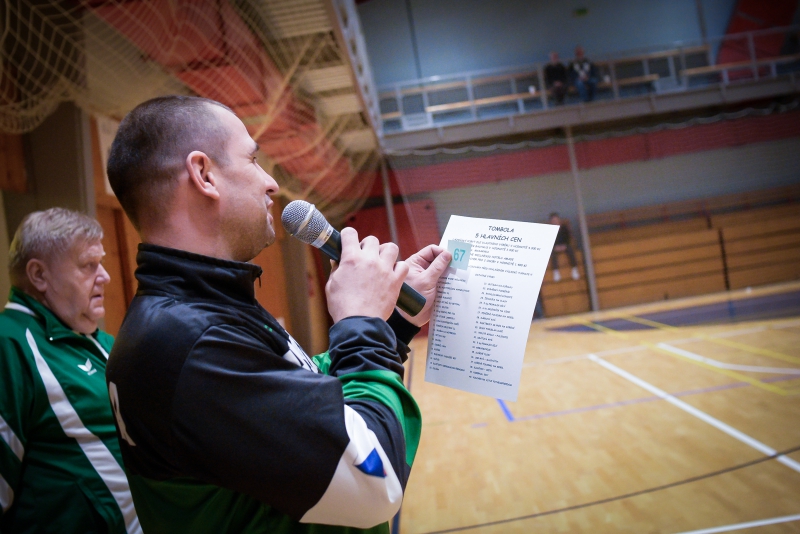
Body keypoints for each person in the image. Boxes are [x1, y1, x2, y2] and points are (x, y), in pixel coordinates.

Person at [104, 95, 452, 533]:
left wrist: (391, 323)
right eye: (253, 160)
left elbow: (302, 393)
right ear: (203, 174)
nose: (271, 183)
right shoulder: (190, 342)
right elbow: (374, 482)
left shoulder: (198, 311)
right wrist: (360, 323)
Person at [0, 208, 140, 534]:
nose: (104, 276)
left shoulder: (101, 341)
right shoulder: (9, 344)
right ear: (39, 275)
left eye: (101, 263)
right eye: (88, 265)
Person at [549, 212, 580, 282]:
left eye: (556, 220)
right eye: (553, 220)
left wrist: (564, 245)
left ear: (559, 220)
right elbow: (548, 241)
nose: (555, 222)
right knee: (551, 253)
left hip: (565, 245)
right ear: (551, 222)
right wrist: (555, 247)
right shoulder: (549, 230)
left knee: (570, 249)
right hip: (555, 247)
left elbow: (568, 238)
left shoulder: (564, 228)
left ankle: (574, 269)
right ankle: (556, 272)